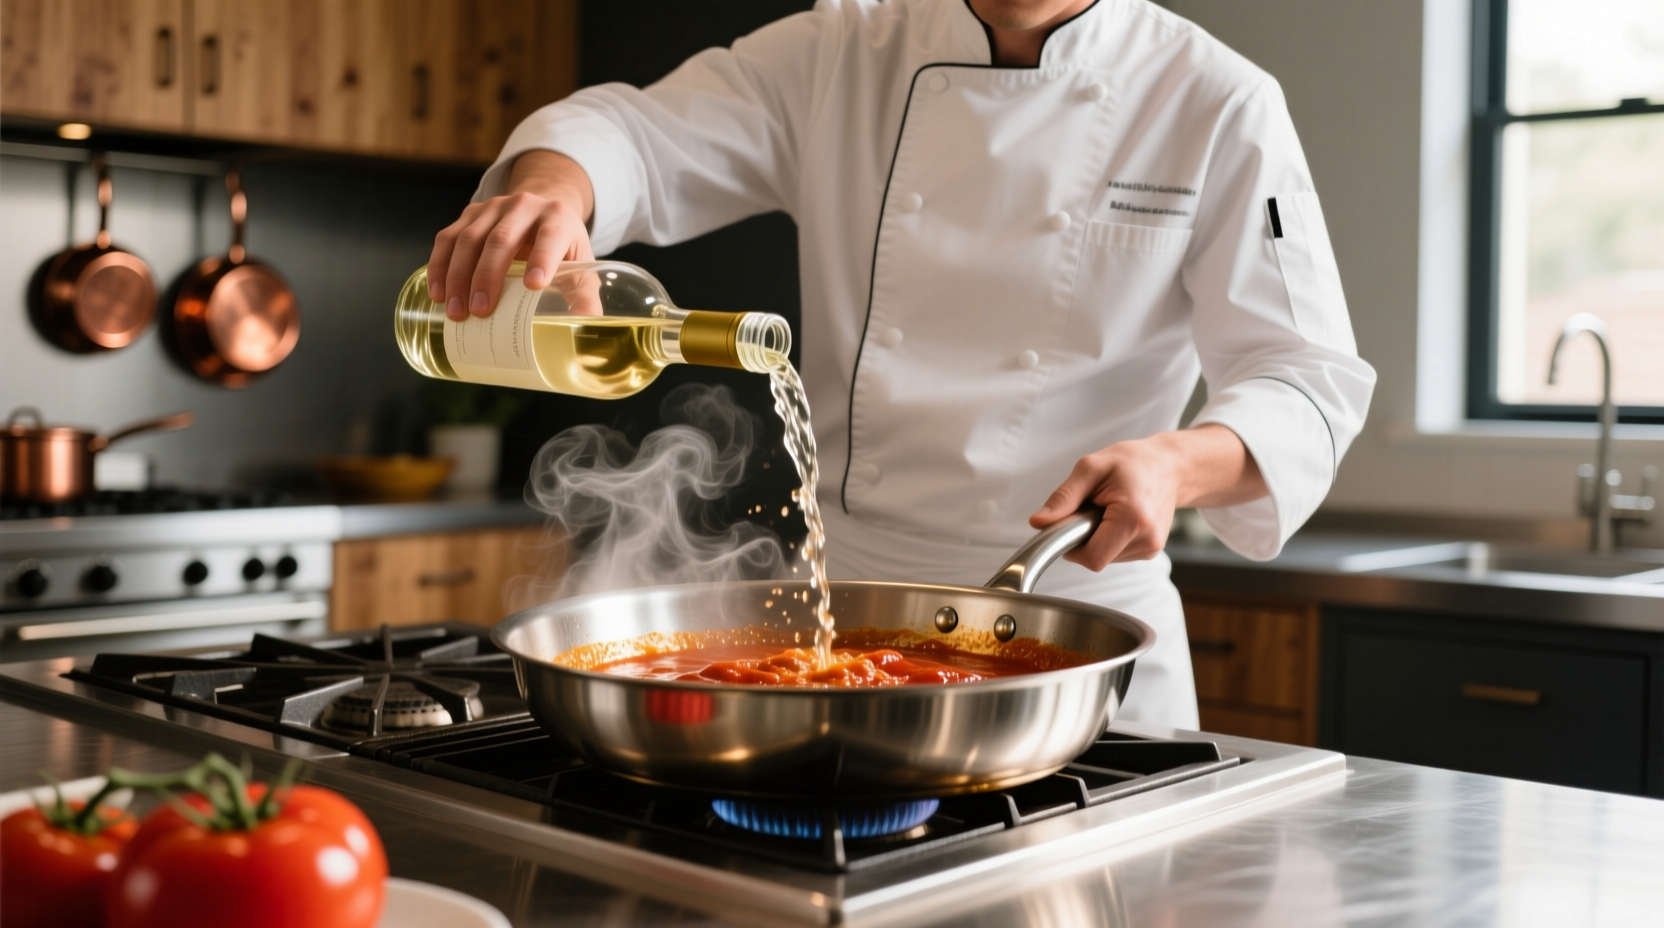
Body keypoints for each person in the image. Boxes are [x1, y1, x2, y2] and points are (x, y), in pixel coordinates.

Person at [427, 0, 1376, 728]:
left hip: (1082, 635)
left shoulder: (1213, 99)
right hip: (846, 632)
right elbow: (636, 132)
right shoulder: (846, 49)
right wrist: (551, 193)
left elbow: (1306, 377)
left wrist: (1174, 464)